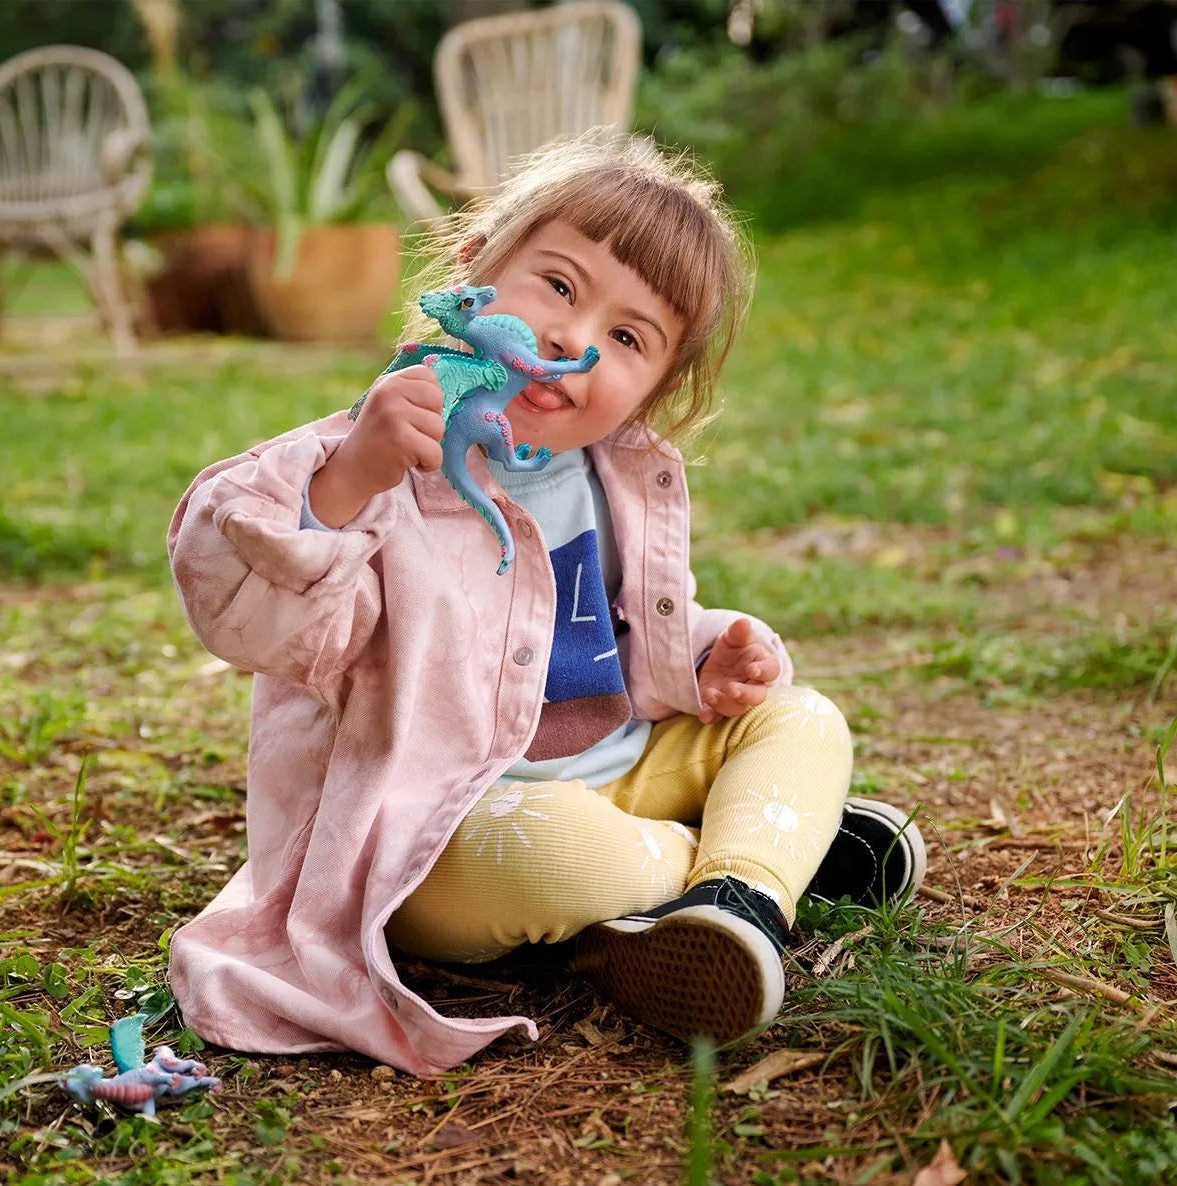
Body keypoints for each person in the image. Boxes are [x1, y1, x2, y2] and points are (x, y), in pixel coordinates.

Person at [166, 133, 926, 1075]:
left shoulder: (619, 477)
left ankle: (733, 903)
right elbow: (246, 618)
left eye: (627, 338)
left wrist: (702, 657)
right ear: (474, 266)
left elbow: (610, 636)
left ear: (659, 387)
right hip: (441, 836)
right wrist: (345, 483)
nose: (574, 340)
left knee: (802, 720)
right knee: (557, 853)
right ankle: (756, 862)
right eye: (560, 288)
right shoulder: (369, 455)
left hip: (621, 767)